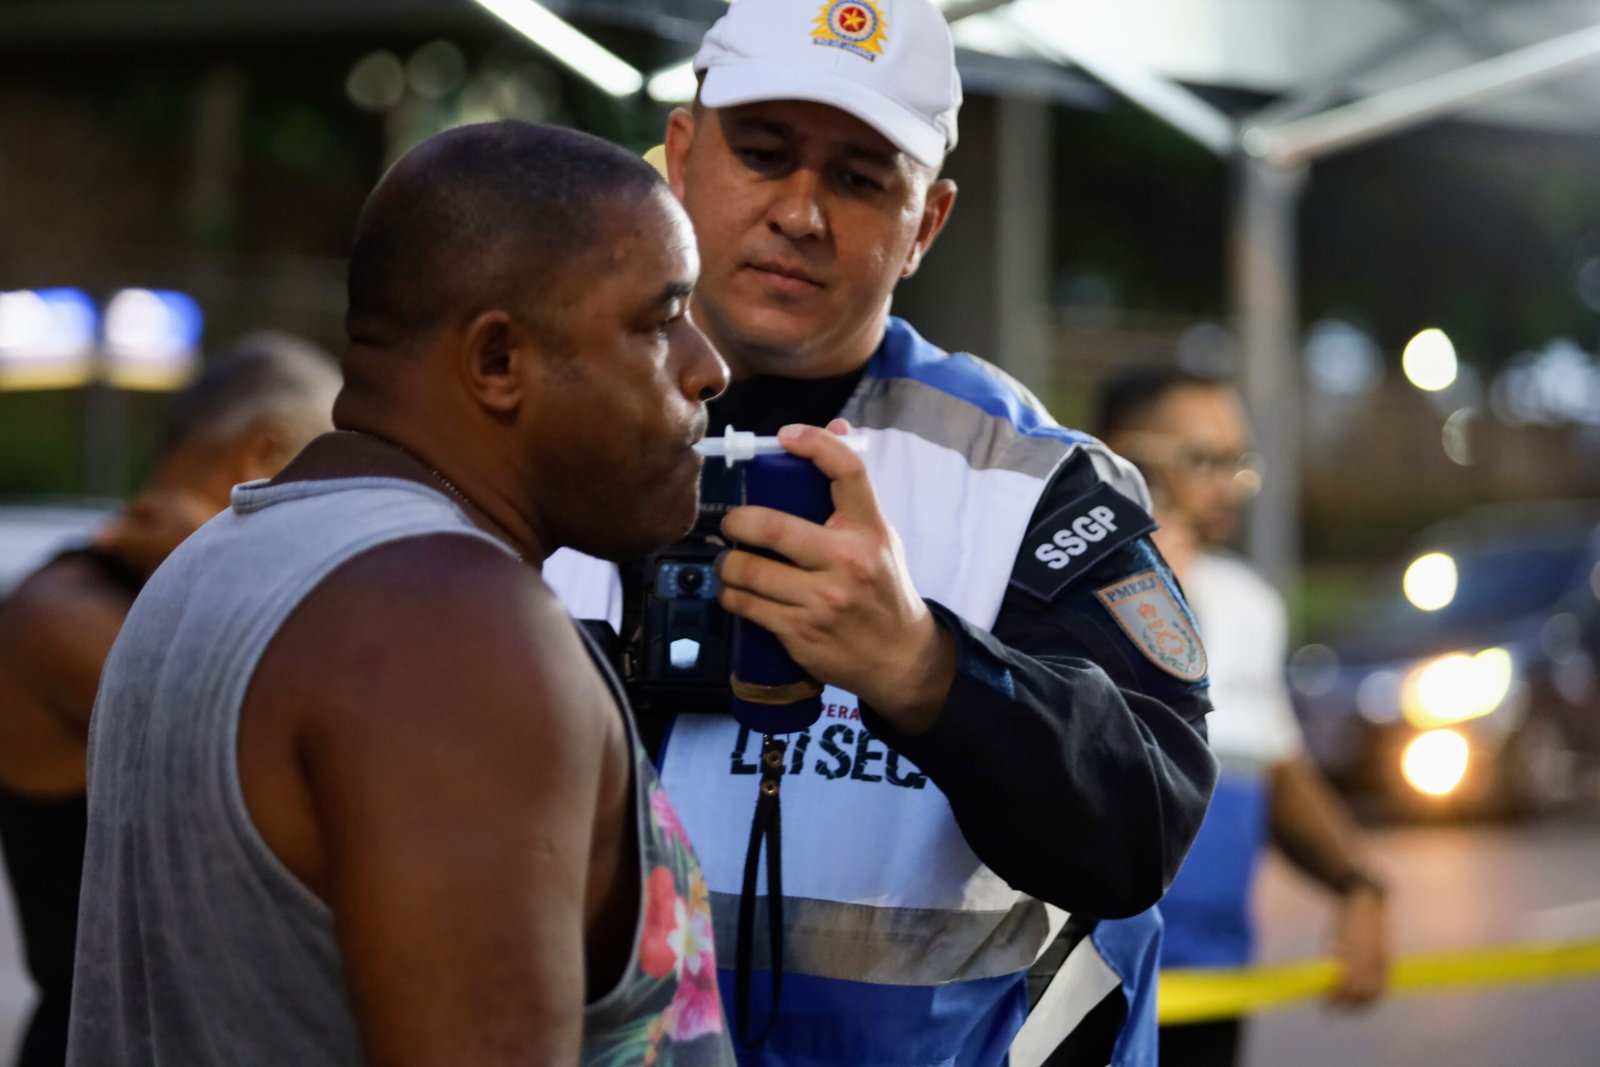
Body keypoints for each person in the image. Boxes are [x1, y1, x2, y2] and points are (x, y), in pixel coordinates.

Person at [543, 2, 1217, 1064]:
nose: (801, 212)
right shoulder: (537, 425)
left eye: (860, 179)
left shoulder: (1032, 484)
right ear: (680, 153)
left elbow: (1144, 822)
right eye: (763, 155)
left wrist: (926, 668)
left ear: (928, 223)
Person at [66, 122, 737, 1066]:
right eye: (660, 321)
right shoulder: (452, 628)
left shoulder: (214, 560)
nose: (709, 367)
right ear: (498, 362)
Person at [0, 330, 339, 1066]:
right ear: (264, 456)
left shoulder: (152, 594)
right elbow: (297, 748)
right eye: (324, 472)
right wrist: (225, 561)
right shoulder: (64, 613)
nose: (332, 516)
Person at [1094, 365, 1391, 1067]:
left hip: (1213, 981)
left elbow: (1273, 765)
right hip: (1080, 985)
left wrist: (1360, 882)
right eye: (1203, 459)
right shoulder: (1050, 595)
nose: (1227, 483)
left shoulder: (1248, 602)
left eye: (1237, 462)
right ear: (1117, 453)